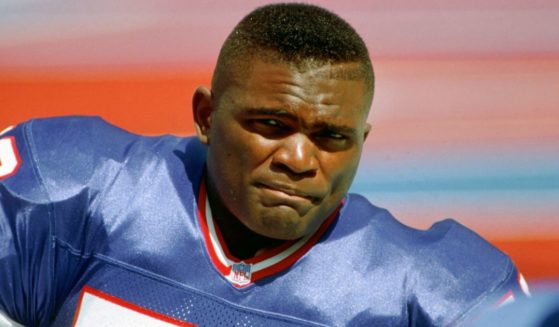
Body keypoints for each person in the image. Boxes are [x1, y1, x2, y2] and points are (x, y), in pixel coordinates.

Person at [0, 3, 528, 327]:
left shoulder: (437, 288)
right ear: (206, 116)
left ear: (362, 140)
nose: (299, 160)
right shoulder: (79, 188)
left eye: (331, 137)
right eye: (272, 125)